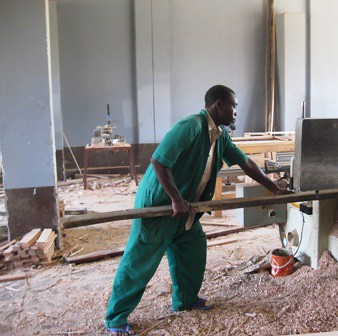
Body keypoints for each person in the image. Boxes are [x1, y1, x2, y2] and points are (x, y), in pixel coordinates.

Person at [104, 85, 291, 335]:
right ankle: (115, 319)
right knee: (141, 260)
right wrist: (175, 198)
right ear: (219, 105)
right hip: (160, 204)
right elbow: (158, 161)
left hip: (187, 207)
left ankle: (184, 300)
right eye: (233, 106)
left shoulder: (220, 136)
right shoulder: (191, 126)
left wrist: (274, 188)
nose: (236, 111)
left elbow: (244, 162)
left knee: (192, 248)